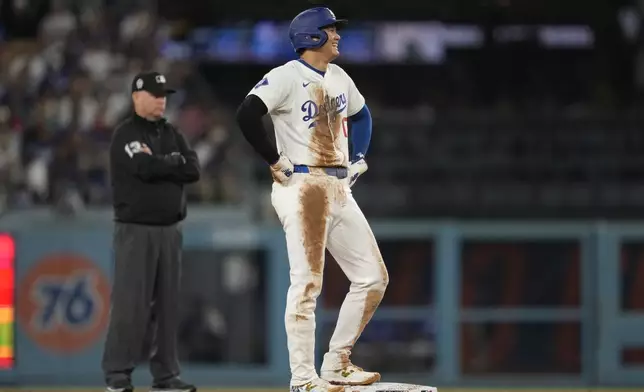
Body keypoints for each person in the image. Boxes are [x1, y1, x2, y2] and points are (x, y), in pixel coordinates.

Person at [235, 7, 389, 392]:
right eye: (330, 29)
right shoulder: (286, 76)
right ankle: (303, 379)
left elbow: (363, 116)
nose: (337, 35)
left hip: (339, 185)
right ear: (311, 36)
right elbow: (247, 113)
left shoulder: (339, 77)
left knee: (372, 278)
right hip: (302, 185)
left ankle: (337, 363)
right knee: (306, 285)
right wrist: (273, 158)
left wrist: (358, 158)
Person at [102, 71, 200, 392]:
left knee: (169, 307)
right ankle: (118, 373)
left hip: (170, 230)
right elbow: (144, 168)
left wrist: (165, 162)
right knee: (131, 305)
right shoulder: (125, 133)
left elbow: (193, 169)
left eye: (164, 95)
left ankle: (166, 376)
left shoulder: (173, 133)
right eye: (155, 94)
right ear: (136, 97)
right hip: (135, 230)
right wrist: (172, 163)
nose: (161, 100)